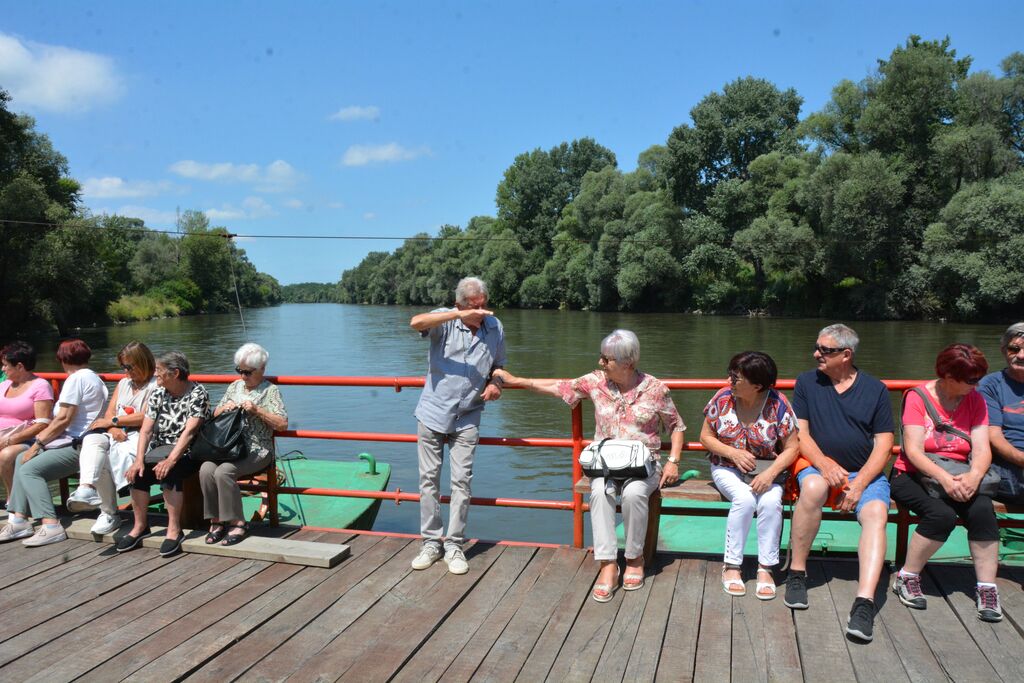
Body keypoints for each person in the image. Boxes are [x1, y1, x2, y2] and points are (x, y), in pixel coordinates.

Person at [496, 329, 685, 602]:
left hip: (645, 464)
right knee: (599, 492)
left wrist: (673, 461)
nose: (601, 363)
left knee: (634, 494)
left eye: (606, 359)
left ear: (628, 362)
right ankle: (608, 564)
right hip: (605, 464)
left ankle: (634, 559)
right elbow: (557, 387)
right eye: (602, 357)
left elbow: (676, 426)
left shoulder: (655, 389)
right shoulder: (595, 382)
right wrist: (516, 380)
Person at [784, 324, 894, 643]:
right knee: (814, 488)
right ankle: (797, 572)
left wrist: (858, 485)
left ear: (846, 355)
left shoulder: (875, 390)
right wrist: (824, 464)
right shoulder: (807, 382)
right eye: (817, 347)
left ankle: (864, 602)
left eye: (825, 350)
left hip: (862, 472)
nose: (816, 354)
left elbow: (884, 445)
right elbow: (801, 434)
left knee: (876, 513)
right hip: (817, 465)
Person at [890, 343, 1002, 621]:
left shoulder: (975, 400)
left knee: (982, 510)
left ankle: (987, 587)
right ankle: (907, 575)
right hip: (914, 474)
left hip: (961, 472)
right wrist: (944, 479)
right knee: (942, 515)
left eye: (979, 378)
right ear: (949, 376)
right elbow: (913, 451)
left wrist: (974, 476)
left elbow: (982, 448)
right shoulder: (917, 397)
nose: (976, 385)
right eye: (971, 379)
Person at [409, 277, 505, 575]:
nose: (481, 312)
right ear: (460, 305)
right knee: (428, 480)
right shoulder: (445, 320)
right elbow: (416, 322)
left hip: (468, 415)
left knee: (462, 481)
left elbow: (499, 365)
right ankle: (430, 543)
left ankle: (454, 546)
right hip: (433, 413)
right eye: (475, 307)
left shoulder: (495, 327)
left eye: (484, 305)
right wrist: (456, 315)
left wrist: (496, 383)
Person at [701, 351, 799, 600]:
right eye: (731, 375)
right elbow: (705, 437)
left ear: (757, 385)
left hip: (766, 469)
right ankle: (732, 565)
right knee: (744, 499)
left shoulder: (778, 405)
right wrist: (732, 453)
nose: (729, 381)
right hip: (726, 466)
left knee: (770, 502)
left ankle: (766, 568)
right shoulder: (723, 398)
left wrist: (771, 474)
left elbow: (792, 448)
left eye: (736, 378)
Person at [0, 339, 108, 546]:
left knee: (29, 470)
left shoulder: (76, 380)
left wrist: (37, 445)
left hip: (78, 445)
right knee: (21, 458)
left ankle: (51, 525)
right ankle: (19, 519)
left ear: (63, 359)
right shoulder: (92, 377)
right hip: (73, 442)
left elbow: (63, 419)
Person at [119, 351, 210, 557]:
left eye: (159, 370)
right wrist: (139, 460)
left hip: (190, 452)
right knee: (138, 474)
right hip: (160, 450)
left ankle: (174, 529)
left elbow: (190, 432)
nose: (155, 374)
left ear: (175, 373)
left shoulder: (198, 393)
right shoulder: (158, 393)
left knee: (171, 472)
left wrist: (171, 460)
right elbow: (146, 430)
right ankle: (140, 526)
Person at [65, 341, 157, 535]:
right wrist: (113, 427)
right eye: (123, 367)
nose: (126, 371)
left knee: (106, 457)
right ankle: (86, 488)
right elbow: (109, 412)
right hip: (117, 432)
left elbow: (146, 416)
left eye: (129, 367)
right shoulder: (124, 383)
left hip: (142, 435)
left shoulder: (155, 385)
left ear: (143, 362)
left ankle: (109, 512)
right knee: (91, 441)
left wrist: (113, 421)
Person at [201, 343, 288, 546]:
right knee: (206, 469)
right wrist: (225, 408)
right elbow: (214, 414)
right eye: (239, 370)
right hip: (229, 447)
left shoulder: (271, 391)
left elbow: (282, 424)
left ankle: (238, 523)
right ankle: (216, 521)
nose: (243, 376)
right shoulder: (234, 386)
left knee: (224, 472)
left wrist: (257, 411)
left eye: (248, 372)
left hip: (258, 449)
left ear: (262, 369)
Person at [0, 341, 55, 498]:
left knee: (6, 455)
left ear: (19, 366)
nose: (2, 369)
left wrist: (9, 440)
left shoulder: (40, 386)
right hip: (3, 437)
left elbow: (42, 424)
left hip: (26, 440)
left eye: (5, 365)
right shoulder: (4, 385)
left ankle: (13, 501)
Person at [979, 322, 1024, 505]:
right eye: (1014, 349)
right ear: (1004, 350)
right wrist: (1021, 459)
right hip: (1008, 463)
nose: (1021, 355)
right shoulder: (990, 386)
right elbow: (994, 437)